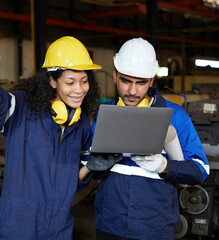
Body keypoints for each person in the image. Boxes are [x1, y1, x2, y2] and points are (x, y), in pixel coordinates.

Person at [0, 22, 102, 239]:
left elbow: (74, 183)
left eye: (84, 81)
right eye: (70, 82)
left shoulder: (82, 125)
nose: (79, 89)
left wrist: (90, 167)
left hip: (59, 230)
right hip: (18, 229)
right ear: (52, 81)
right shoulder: (22, 110)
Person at [81, 37, 210, 240]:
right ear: (115, 76)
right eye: (126, 81)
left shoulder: (175, 116)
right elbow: (90, 172)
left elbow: (200, 170)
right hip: (109, 225)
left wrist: (164, 166)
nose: (132, 91)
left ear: (151, 81)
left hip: (155, 228)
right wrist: (96, 165)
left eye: (140, 83)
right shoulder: (104, 114)